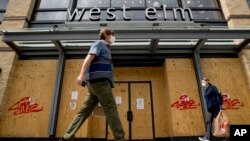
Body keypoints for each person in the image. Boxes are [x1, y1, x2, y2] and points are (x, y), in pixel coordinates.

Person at [59, 28, 126, 141]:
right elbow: (88, 59)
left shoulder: (107, 49)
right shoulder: (99, 43)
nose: (114, 38)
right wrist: (81, 75)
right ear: (105, 34)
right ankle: (120, 138)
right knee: (111, 109)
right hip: (100, 84)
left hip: (95, 86)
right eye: (112, 35)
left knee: (84, 111)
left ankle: (67, 137)